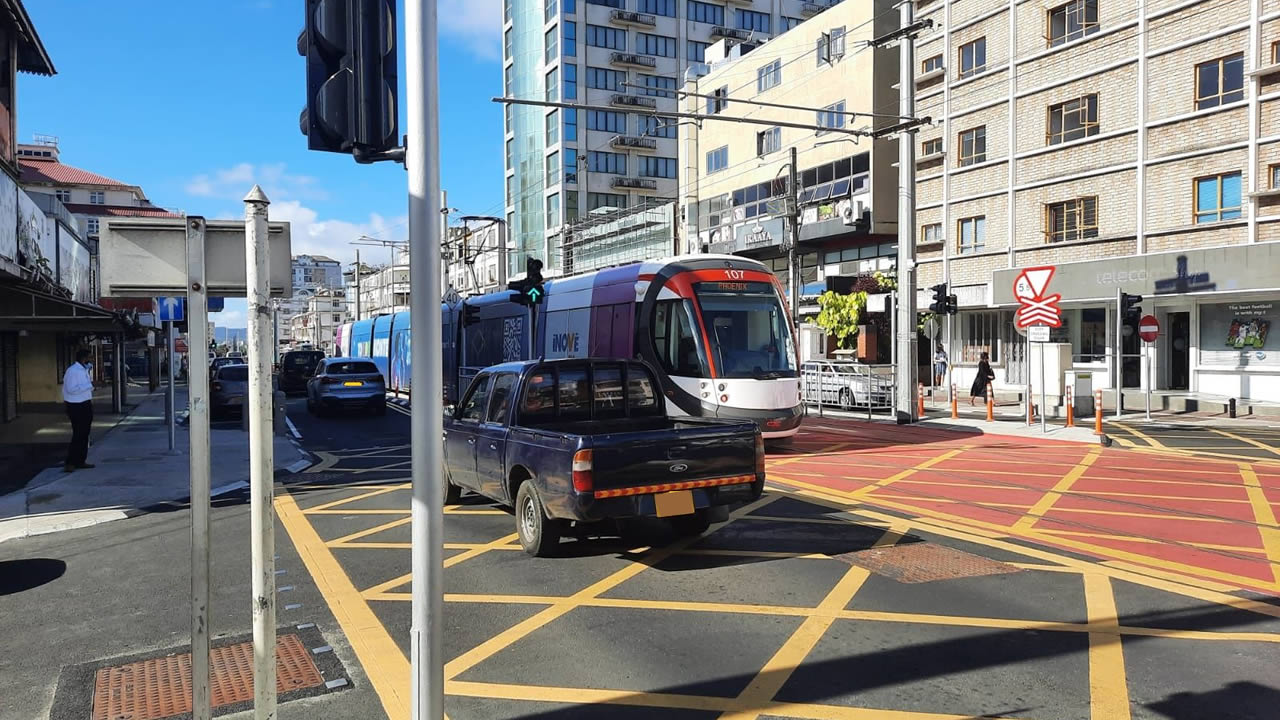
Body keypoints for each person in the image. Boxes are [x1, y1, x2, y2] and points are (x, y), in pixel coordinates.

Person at [63, 349, 96, 472]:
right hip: (76, 406)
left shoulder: (84, 370)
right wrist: (90, 385)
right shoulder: (73, 371)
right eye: (90, 357)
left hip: (85, 403)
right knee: (78, 434)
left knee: (85, 434)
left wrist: (91, 386)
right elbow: (71, 389)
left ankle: (80, 460)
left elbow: (85, 387)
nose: (92, 360)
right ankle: (70, 462)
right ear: (83, 358)